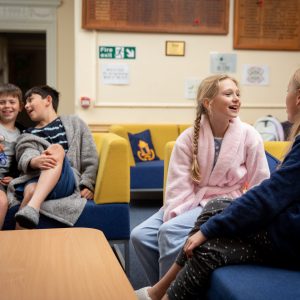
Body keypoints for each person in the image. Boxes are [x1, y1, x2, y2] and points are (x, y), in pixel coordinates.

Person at [135, 67, 300, 300]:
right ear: (208, 102)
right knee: (140, 235)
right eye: (228, 94)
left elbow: (261, 183)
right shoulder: (187, 138)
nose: (236, 99)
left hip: (231, 201)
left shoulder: (249, 135)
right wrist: (180, 213)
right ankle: (161, 286)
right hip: (188, 201)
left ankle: (165, 293)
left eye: (238, 94)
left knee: (170, 231)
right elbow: (177, 186)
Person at [6, 85, 98, 229]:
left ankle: (32, 208)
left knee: (56, 149)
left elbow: (90, 157)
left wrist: (88, 182)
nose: (27, 106)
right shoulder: (28, 134)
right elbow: (26, 152)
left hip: (66, 181)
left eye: (30, 100)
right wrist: (34, 161)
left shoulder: (75, 123)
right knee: (30, 190)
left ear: (48, 100)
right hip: (37, 178)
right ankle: (19, 240)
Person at [0, 83, 23, 229]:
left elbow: (22, 162)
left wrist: (15, 178)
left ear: (20, 106)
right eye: (2, 102)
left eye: (12, 102)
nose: (7, 106)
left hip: (5, 179)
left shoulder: (23, 133)